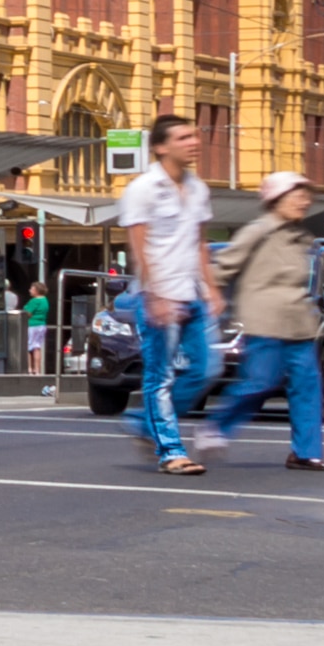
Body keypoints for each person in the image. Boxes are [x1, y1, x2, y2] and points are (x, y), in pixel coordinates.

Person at [201, 170, 324, 471]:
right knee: (261, 382)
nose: (304, 202)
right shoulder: (257, 232)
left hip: (299, 324)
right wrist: (210, 297)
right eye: (297, 195)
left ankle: (305, 453)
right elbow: (223, 266)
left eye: (306, 196)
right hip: (265, 322)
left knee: (308, 387)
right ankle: (216, 427)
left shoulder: (302, 238)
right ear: (277, 199)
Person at [114, 111, 223, 474]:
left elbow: (199, 242)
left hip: (192, 294)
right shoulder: (143, 189)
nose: (194, 142)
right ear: (161, 147)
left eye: (194, 136)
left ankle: (146, 425)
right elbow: (139, 247)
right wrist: (155, 295)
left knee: (206, 370)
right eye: (183, 138)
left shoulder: (198, 188)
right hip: (158, 295)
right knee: (159, 376)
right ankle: (171, 451)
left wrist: (212, 288)